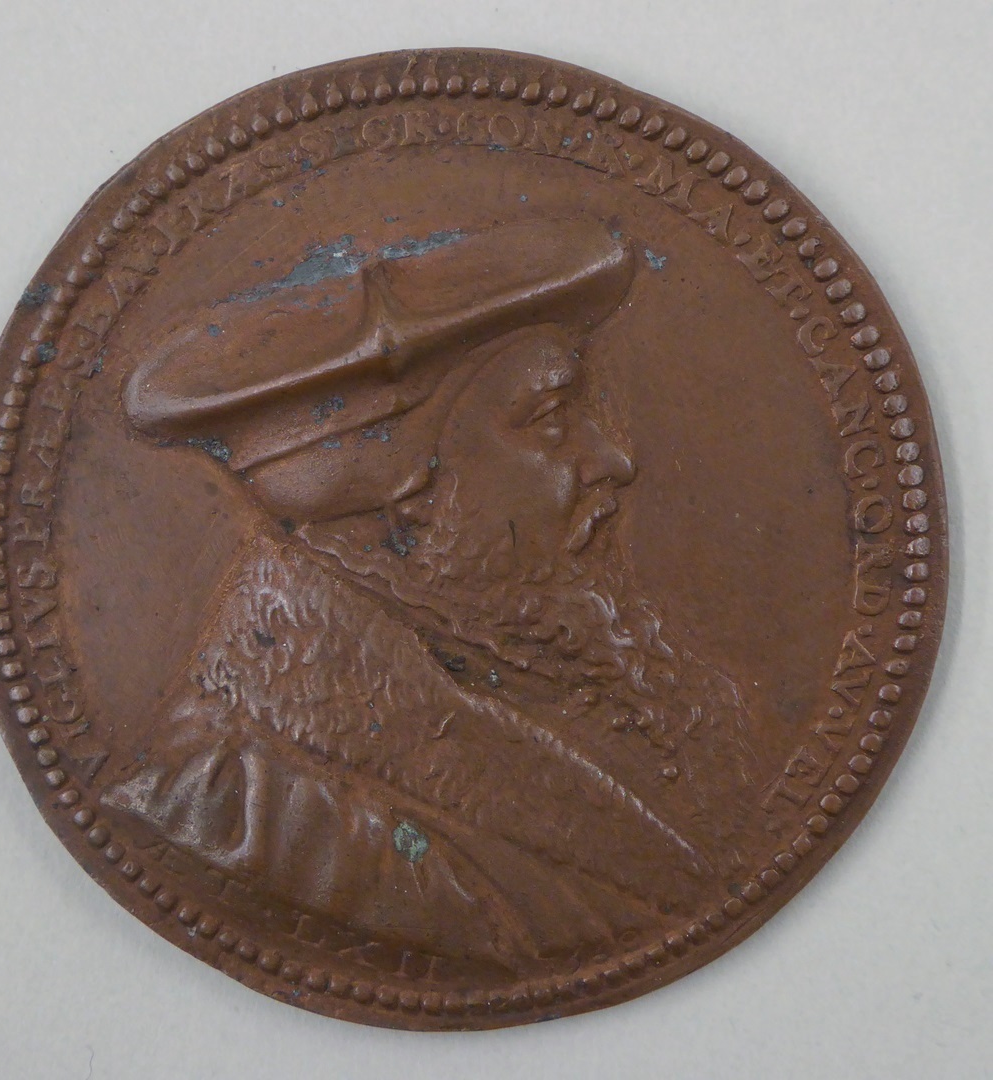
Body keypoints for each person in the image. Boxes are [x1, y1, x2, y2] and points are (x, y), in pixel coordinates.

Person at [101, 219, 761, 980]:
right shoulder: (243, 812)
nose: (612, 460)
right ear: (407, 495)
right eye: (550, 421)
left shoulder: (578, 669)